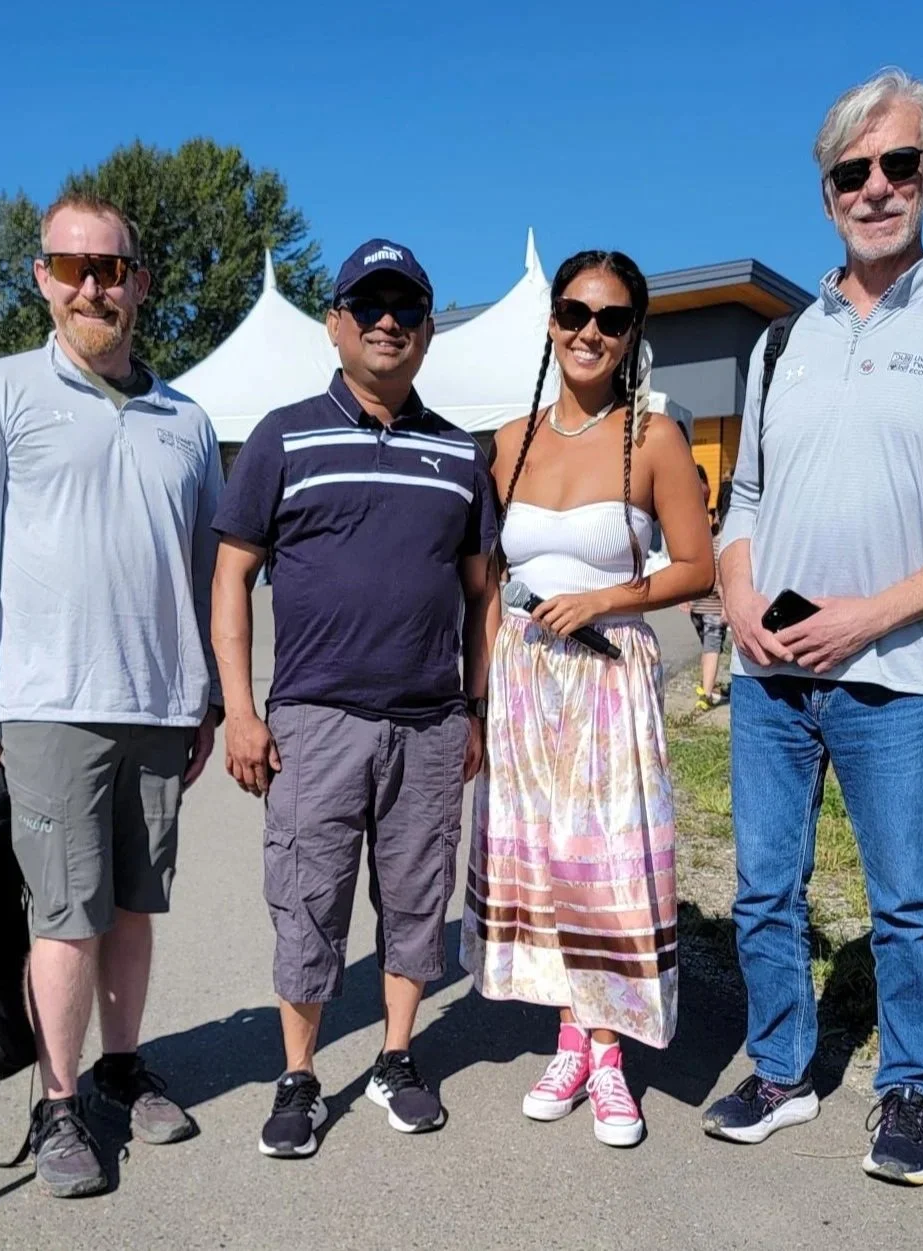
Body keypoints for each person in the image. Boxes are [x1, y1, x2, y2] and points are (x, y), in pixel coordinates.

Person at [702, 69, 923, 1187]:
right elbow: (740, 499)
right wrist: (738, 604)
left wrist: (867, 619)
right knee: (762, 886)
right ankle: (783, 1070)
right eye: (853, 170)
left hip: (899, 674)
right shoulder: (780, 344)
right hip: (769, 675)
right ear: (826, 188)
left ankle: (909, 1092)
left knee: (904, 902)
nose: (876, 187)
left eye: (899, 165)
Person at [0, 192, 224, 1198]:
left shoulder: (186, 422)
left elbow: (199, 576)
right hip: (49, 707)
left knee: (135, 908)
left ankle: (121, 1069)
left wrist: (206, 697)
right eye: (74, 266)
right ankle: (57, 1104)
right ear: (43, 278)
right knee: (65, 916)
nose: (94, 285)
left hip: (156, 707)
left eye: (113, 268)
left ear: (142, 282)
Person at [211, 238, 498, 1159]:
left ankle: (396, 1056)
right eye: (368, 305)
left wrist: (478, 710)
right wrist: (242, 710)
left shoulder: (458, 454)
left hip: (428, 722)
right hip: (314, 722)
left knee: (417, 900)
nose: (387, 322)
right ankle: (299, 1074)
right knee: (309, 898)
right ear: (335, 321)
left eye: (406, 308)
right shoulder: (282, 436)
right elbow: (232, 576)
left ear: (426, 329)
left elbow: (482, 594)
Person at [458, 250, 714, 1147]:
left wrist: (606, 596)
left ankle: (608, 1056)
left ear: (633, 331)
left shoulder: (657, 438)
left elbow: (697, 565)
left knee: (608, 867)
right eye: (574, 313)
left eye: (610, 318)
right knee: (545, 863)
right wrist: (478, 696)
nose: (589, 333)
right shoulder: (508, 441)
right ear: (552, 323)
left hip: (609, 676)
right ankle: (571, 1033)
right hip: (527, 680)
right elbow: (487, 579)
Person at [685, 466, 728, 710]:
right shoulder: (722, 543)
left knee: (707, 647)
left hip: (698, 607)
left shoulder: (710, 540)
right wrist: (727, 605)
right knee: (713, 648)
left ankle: (705, 684)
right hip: (712, 607)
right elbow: (721, 579)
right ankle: (707, 693)